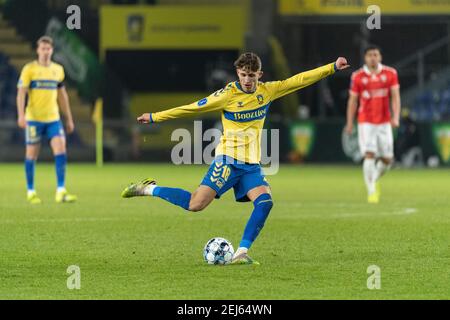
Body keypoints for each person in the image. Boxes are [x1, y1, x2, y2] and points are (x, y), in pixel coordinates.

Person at [122, 52, 349, 264]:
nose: (247, 80)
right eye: (243, 75)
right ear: (237, 74)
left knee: (265, 202)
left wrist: (332, 68)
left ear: (259, 74)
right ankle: (147, 189)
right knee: (195, 204)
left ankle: (241, 252)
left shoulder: (267, 91)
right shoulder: (228, 95)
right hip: (228, 161)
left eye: (251, 75)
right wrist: (155, 117)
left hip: (251, 166)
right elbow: (191, 109)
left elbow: (299, 80)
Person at [17, 36, 77, 204]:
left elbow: (62, 95)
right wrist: (21, 115)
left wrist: (69, 118)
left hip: (53, 119)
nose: (45, 52)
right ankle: (31, 191)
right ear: (38, 50)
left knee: (61, 150)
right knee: (31, 155)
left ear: (52, 50)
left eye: (48, 49)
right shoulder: (29, 69)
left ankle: (61, 190)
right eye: (42, 49)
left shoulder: (58, 70)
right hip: (34, 119)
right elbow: (21, 92)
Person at [345, 45, 401, 203]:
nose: (373, 58)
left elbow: (395, 97)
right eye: (370, 55)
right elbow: (353, 101)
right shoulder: (357, 76)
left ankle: (374, 180)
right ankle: (371, 191)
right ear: (365, 58)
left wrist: (396, 117)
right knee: (369, 155)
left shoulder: (390, 73)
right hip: (366, 122)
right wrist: (350, 123)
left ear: (380, 57)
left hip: (384, 122)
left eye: (375, 54)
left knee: (387, 159)